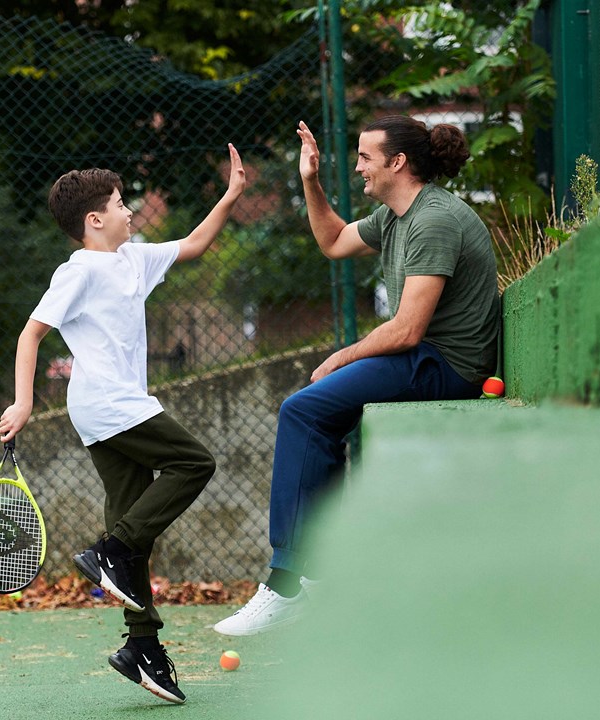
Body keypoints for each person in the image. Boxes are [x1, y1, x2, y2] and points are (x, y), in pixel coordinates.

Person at [213, 116, 500, 636]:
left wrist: (340, 357)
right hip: (425, 357)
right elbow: (335, 241)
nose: (359, 167)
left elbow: (409, 329)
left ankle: (287, 585)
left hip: (447, 364)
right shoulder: (395, 215)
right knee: (320, 416)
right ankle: (318, 572)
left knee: (303, 410)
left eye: (366, 157)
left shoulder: (433, 221)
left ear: (398, 163)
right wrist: (310, 181)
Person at [0, 144, 246, 703]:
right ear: (95, 220)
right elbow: (30, 335)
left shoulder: (133, 258)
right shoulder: (79, 270)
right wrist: (24, 404)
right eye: (119, 203)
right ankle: (112, 548)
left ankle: (142, 649)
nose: (130, 210)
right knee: (193, 464)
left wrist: (231, 194)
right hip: (107, 403)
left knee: (134, 526)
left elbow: (197, 243)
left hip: (116, 406)